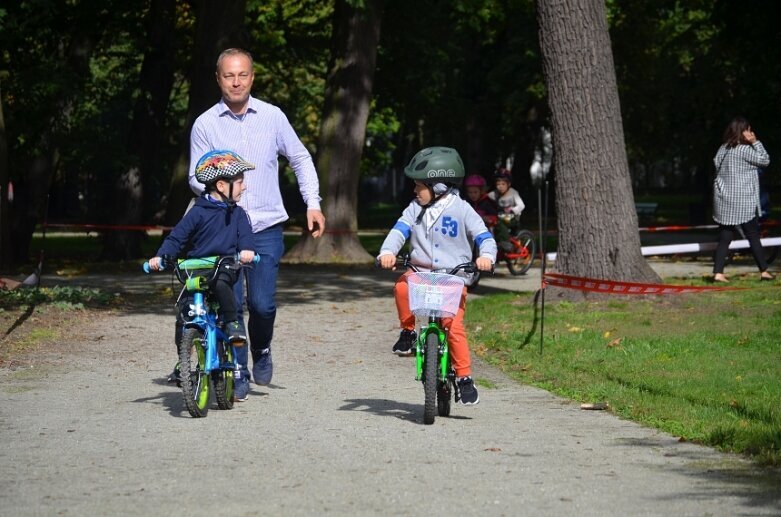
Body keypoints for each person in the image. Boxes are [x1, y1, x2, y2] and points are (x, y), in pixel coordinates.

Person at [188, 48, 326, 401]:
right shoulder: (205, 124)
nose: (236, 82)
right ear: (218, 79)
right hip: (224, 228)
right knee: (231, 306)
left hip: (265, 225)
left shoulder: (272, 117)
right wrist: (218, 187)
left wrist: (313, 203)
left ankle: (262, 348)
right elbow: (194, 176)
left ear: (252, 77)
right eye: (229, 75)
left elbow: (299, 157)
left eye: (243, 75)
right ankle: (238, 370)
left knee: (262, 305)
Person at [377, 147, 497, 405]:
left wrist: (486, 256)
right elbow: (399, 231)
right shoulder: (414, 208)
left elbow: (484, 237)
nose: (414, 190)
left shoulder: (462, 209)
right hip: (421, 272)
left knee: (453, 326)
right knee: (401, 288)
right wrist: (388, 251)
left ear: (439, 186)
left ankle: (464, 378)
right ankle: (408, 332)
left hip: (453, 276)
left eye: (419, 185)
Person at [149, 150, 256, 344]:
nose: (245, 187)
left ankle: (232, 323)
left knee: (222, 285)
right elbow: (177, 238)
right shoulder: (197, 212)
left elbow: (246, 236)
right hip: (196, 268)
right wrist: (161, 256)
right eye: (240, 182)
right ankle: (183, 360)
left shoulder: (238, 214)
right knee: (185, 310)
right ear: (221, 186)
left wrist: (247, 250)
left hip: (225, 266)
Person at [712, 116, 774, 283]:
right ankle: (764, 271)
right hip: (742, 200)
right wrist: (755, 142)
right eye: (748, 129)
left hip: (724, 199)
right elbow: (765, 160)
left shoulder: (723, 149)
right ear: (744, 131)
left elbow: (717, 165)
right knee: (753, 235)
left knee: (725, 236)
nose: (751, 132)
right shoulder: (744, 150)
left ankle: (718, 273)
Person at [487, 168, 525, 250]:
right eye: (498, 184)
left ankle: (505, 242)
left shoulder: (513, 193)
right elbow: (486, 196)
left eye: (503, 184)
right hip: (501, 216)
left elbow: (521, 205)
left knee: (501, 222)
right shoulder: (495, 194)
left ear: (509, 184)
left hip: (513, 218)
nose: (500, 186)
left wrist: (513, 210)